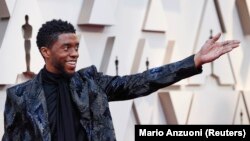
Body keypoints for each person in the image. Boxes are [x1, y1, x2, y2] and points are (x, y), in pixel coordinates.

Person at [2, 19, 240, 141]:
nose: (75, 53)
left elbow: (140, 82)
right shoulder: (21, 96)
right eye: (66, 48)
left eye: (76, 46)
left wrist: (193, 61)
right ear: (46, 51)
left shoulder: (91, 83)